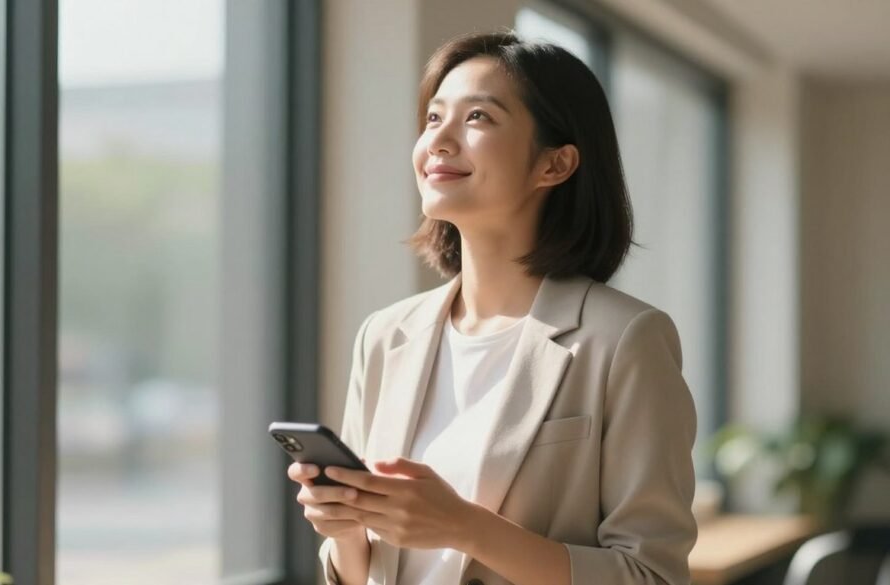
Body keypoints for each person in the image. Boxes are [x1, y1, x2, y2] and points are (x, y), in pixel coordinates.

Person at [287, 30, 697, 585]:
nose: (439, 140)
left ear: (554, 165)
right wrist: (344, 532)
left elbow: (653, 575)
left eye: (477, 117)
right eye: (433, 118)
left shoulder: (625, 338)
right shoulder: (385, 336)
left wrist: (465, 527)